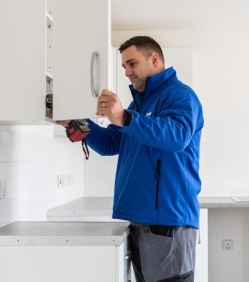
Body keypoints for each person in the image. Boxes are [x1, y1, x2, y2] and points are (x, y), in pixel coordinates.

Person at [61, 36, 203, 282]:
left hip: (168, 222)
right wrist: (76, 122)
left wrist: (125, 118)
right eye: (124, 66)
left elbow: (178, 136)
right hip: (141, 221)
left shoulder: (180, 95)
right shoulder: (137, 106)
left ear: (154, 59)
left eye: (132, 63)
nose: (127, 71)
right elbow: (109, 143)